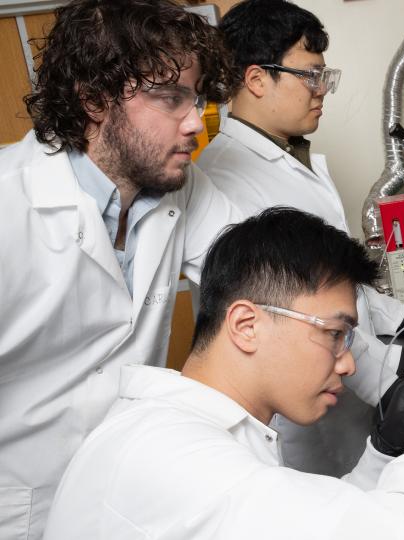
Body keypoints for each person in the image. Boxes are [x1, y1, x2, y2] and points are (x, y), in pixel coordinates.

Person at [44, 207, 404, 540]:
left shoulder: (178, 431)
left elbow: (311, 521)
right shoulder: (177, 462)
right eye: (335, 333)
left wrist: (382, 454)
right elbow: (402, 532)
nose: (349, 362)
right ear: (246, 325)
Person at [0, 1, 239, 536]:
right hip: (21, 508)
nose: (195, 122)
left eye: (196, 98)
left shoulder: (183, 186)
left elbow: (266, 273)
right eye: (170, 97)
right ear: (93, 99)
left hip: (128, 492)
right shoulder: (8, 204)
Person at [197, 0, 404, 475]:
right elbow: (297, 309)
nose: (322, 90)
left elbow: (333, 278)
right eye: (311, 76)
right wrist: (389, 376)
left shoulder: (292, 156)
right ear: (256, 79)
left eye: (325, 77)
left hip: (344, 379)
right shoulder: (223, 180)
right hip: (306, 412)